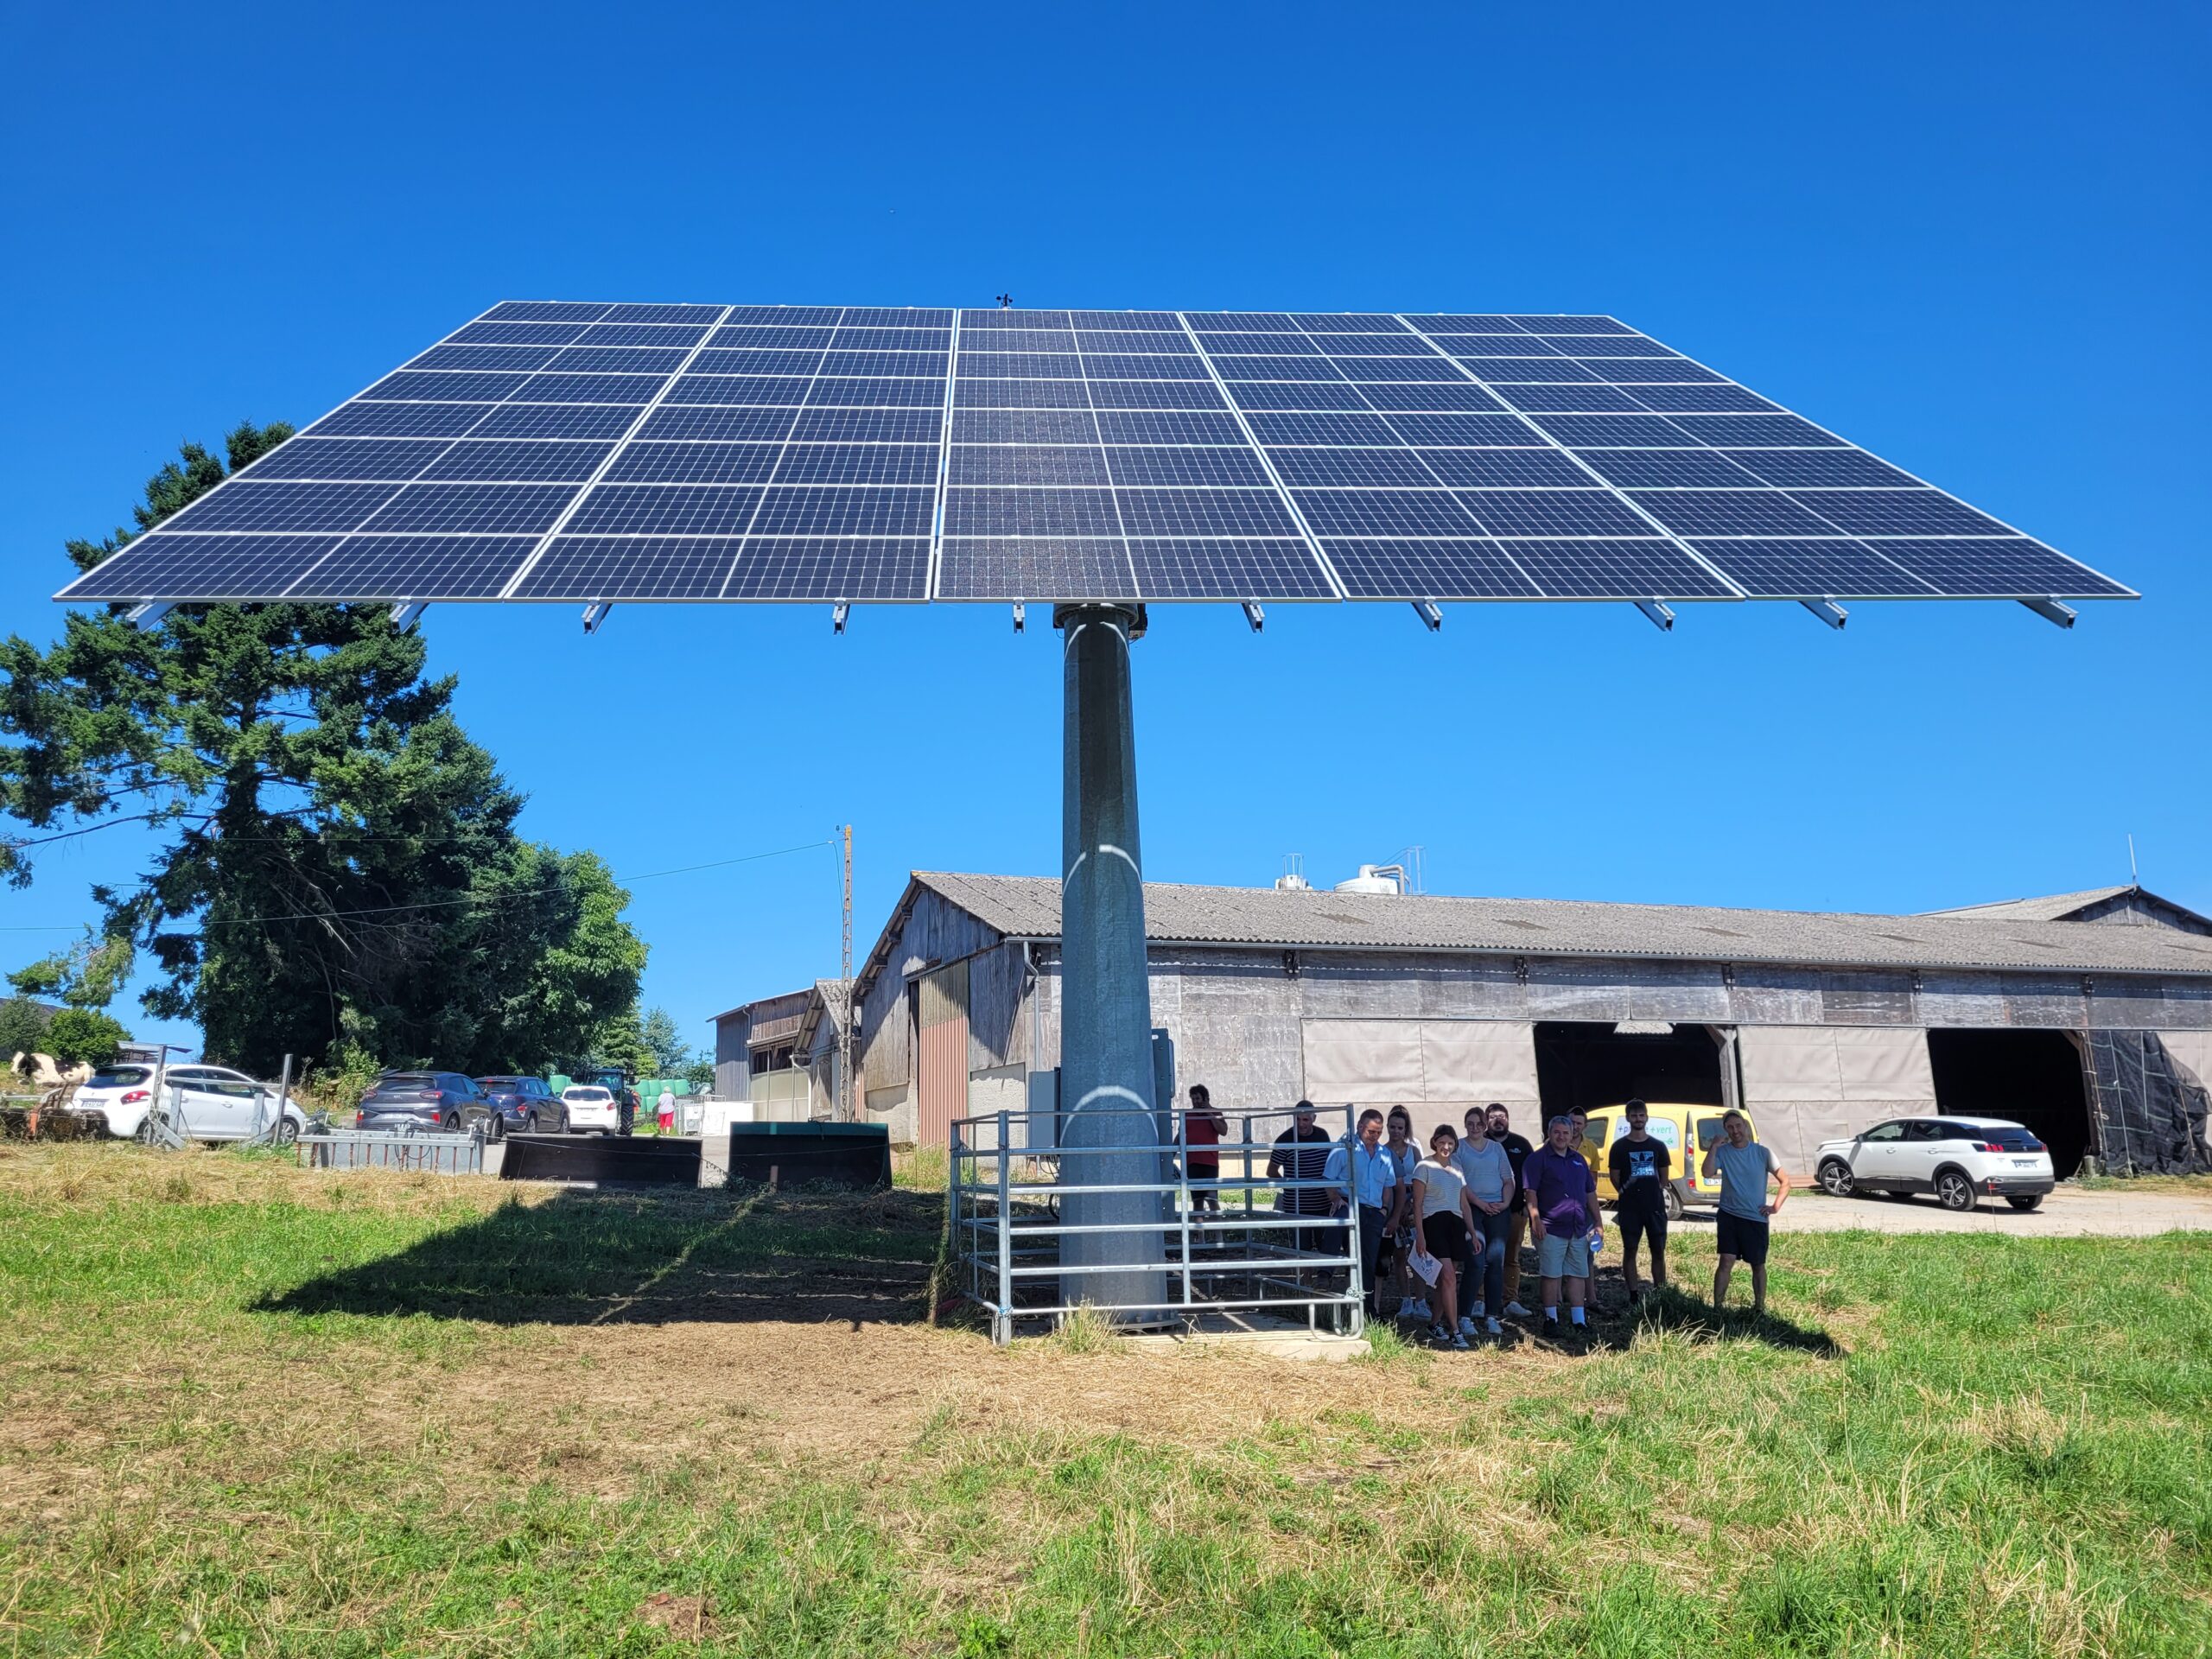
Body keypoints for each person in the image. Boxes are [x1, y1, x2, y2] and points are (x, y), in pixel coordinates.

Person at [1702, 1109, 1790, 1315]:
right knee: (1726, 1261)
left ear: (1745, 1126)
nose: (1735, 1131)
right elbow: (1707, 1173)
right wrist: (1714, 1147)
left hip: (1755, 1218)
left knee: (1758, 1264)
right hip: (1729, 1216)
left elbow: (1785, 1182)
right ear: (1726, 1130)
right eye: (1730, 1128)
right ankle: (1718, 1308)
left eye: (1738, 1126)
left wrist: (1775, 1207)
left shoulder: (1763, 1153)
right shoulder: (1723, 1152)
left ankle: (1759, 1307)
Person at [1522, 1114, 1599, 1341]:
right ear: (1549, 1133)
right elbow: (1530, 1192)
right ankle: (1551, 1318)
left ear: (1571, 1134)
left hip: (1578, 1227)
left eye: (1566, 1133)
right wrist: (1535, 1219)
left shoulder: (1578, 1160)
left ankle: (1579, 1319)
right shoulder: (1537, 1160)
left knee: (1577, 1273)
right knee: (1551, 1273)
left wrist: (1599, 1222)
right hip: (1550, 1227)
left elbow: (1590, 1192)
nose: (1561, 1136)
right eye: (1557, 1132)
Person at [1409, 1124, 1479, 1349]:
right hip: (1434, 1222)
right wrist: (1420, 1235)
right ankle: (1455, 1330)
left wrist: (1473, 1233)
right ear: (1435, 1142)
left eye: (1450, 1143)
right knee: (1448, 1275)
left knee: (1447, 1279)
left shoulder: (1457, 1168)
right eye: (1442, 1142)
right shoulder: (1424, 1166)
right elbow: (1417, 1204)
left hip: (1456, 1223)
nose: (1446, 1147)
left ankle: (1434, 1322)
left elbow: (1464, 1204)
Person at [1325, 1109, 1399, 1319]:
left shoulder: (1384, 1154)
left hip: (1373, 1211)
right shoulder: (1345, 1148)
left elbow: (1388, 1184)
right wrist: (1335, 1199)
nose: (1375, 1135)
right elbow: (1329, 1178)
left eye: (1378, 1131)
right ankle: (1325, 1274)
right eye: (1371, 1131)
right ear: (1359, 1127)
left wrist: (1384, 1208)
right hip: (1349, 1202)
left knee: (1368, 1260)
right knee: (1337, 1229)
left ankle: (1367, 1309)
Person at [1452, 1106, 1516, 1336]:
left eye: (1479, 1123)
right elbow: (1461, 1183)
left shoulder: (1497, 1149)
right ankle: (1465, 1316)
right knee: (1476, 1260)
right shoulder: (1459, 1149)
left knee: (1496, 1262)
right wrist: (1480, 1204)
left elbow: (1508, 1180)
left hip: (1498, 1209)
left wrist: (1505, 1203)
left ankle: (1491, 1315)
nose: (1475, 1127)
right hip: (1473, 1210)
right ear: (1465, 1125)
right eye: (1470, 1123)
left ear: (1485, 1125)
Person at [1607, 1099, 1671, 1300]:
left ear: (1647, 1117)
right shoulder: (1619, 1147)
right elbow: (1614, 1177)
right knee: (1630, 1250)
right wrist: (1628, 1193)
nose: (1638, 1119)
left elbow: (1664, 1178)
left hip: (1655, 1208)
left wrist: (1651, 1192)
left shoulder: (1658, 1146)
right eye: (1634, 1116)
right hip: (1630, 1209)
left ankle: (1660, 1292)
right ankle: (1633, 1294)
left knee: (1658, 1251)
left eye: (1641, 1115)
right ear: (1628, 1118)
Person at [1484, 1104, 1535, 1317]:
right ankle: (1479, 1300)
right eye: (1493, 1117)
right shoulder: (1480, 1142)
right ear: (1487, 1120)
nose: (1498, 1120)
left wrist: (1526, 1205)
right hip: (1486, 1210)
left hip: (1515, 1211)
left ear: (1508, 1119)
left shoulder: (1521, 1144)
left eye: (1502, 1116)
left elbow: (1532, 1177)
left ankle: (1510, 1300)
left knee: (1511, 1257)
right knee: (1483, 1257)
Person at [1267, 1101, 1335, 1255]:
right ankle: (1307, 1279)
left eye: (1305, 1119)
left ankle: (1324, 1277)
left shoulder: (1322, 1136)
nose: (1301, 1124)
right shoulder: (1284, 1140)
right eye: (1298, 1119)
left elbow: (1330, 1165)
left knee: (1325, 1245)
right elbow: (1271, 1171)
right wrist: (1289, 1186)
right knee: (1302, 1248)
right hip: (1297, 1206)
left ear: (1314, 1118)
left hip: (1322, 1203)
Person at [1381, 1107, 1423, 1319]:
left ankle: (1421, 1300)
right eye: (1392, 1127)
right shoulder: (1383, 1151)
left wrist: (1413, 1204)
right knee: (1399, 1255)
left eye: (1400, 1128)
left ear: (1405, 1129)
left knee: (1418, 1253)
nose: (1396, 1131)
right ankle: (1405, 1300)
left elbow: (1420, 1178)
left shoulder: (1413, 1150)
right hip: (1393, 1202)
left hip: (1412, 1202)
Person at [1182, 1083, 1227, 1214]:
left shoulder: (1216, 1112)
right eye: (1193, 1099)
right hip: (1192, 1163)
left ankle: (1218, 1234)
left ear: (1206, 1098)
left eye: (1198, 1098)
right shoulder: (1187, 1115)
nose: (1195, 1102)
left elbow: (1223, 1131)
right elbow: (1181, 1135)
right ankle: (1200, 1234)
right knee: (1197, 1202)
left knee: (1212, 1200)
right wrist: (1171, 1153)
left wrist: (1209, 1113)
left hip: (1210, 1163)